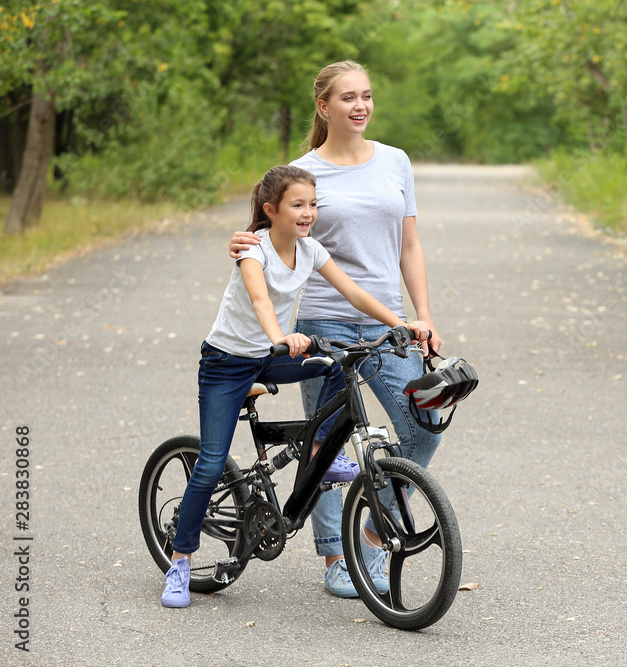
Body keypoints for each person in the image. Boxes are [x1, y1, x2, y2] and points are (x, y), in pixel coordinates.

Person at [162, 165, 429, 608]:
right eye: (298, 205)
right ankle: (180, 561)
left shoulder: (309, 250)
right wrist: (279, 338)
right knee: (210, 465)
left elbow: (356, 293)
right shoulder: (255, 251)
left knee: (331, 366)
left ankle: (318, 451)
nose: (308, 213)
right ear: (272, 210)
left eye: (312, 205)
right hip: (227, 365)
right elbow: (261, 300)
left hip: (268, 359)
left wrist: (403, 324)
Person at [228, 60, 443, 599]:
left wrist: (423, 315)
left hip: (386, 318)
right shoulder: (303, 170)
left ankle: (372, 526)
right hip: (323, 318)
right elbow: (265, 231)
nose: (360, 106)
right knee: (326, 442)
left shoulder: (396, 162)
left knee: (426, 419)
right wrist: (241, 244)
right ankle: (336, 559)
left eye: (366, 95)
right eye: (347, 97)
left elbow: (409, 245)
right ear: (324, 106)